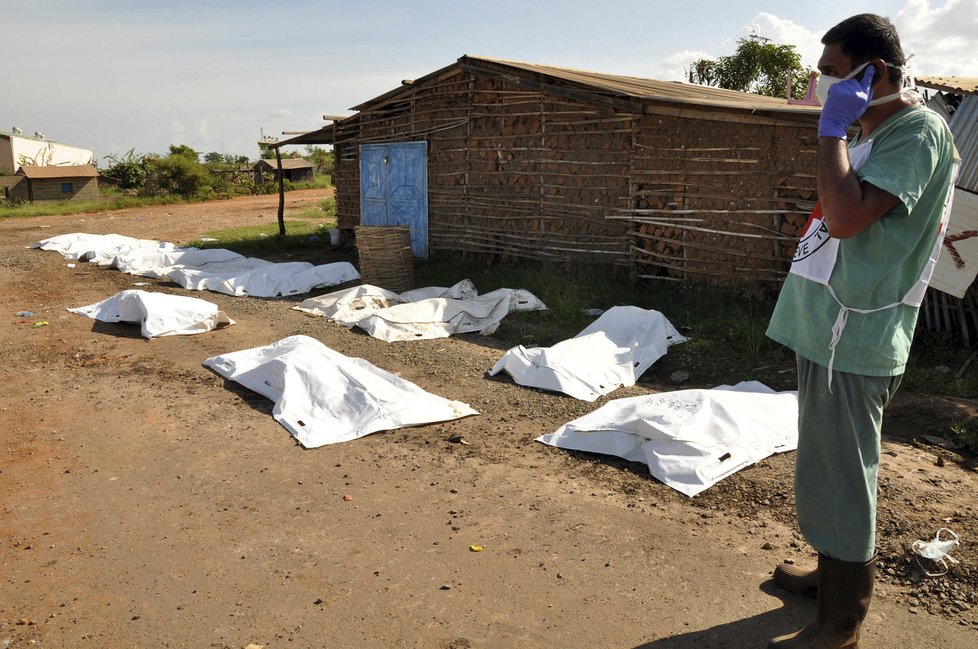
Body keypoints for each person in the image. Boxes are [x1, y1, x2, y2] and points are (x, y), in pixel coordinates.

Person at [765, 13, 958, 649]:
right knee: (826, 467)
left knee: (847, 472)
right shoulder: (872, 133)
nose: (821, 87)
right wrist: (840, 132)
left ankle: (844, 619)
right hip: (826, 325)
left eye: (831, 73)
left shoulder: (919, 132)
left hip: (860, 333)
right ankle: (830, 578)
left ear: (872, 72)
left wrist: (829, 135)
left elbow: (846, 218)